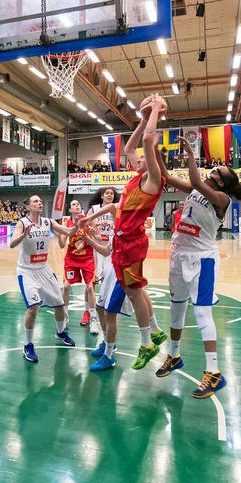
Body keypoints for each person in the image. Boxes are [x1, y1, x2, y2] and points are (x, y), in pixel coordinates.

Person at [154, 137, 241, 398]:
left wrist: (190, 154)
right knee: (176, 309)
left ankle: (213, 372)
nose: (213, 170)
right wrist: (158, 153)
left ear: (221, 183)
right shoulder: (197, 191)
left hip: (202, 260)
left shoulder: (221, 199)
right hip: (179, 255)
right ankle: (173, 356)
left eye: (217, 172)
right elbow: (168, 179)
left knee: (202, 313)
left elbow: (196, 181)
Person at [83, 94, 168, 370]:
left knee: (133, 293)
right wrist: (142, 120)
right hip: (120, 244)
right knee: (138, 289)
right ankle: (154, 330)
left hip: (131, 243)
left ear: (152, 162)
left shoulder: (154, 181)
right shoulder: (136, 178)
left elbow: (145, 143)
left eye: (145, 158)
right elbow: (131, 147)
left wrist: (154, 110)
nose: (138, 159)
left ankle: (146, 344)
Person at [10, 195, 78, 363]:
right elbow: (12, 244)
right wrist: (22, 236)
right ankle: (28, 345)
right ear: (28, 207)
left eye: (40, 201)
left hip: (44, 269)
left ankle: (60, 332)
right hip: (27, 271)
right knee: (33, 307)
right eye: (35, 201)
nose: (39, 203)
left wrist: (76, 226)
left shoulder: (48, 222)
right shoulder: (23, 223)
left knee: (60, 305)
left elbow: (68, 232)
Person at [80, 207, 134, 372]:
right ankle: (108, 343)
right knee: (100, 308)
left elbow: (112, 207)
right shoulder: (114, 230)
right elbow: (105, 251)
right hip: (111, 271)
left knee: (110, 314)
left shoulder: (130, 229)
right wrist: (88, 240)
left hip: (122, 273)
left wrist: (90, 218)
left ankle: (109, 356)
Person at [58, 200, 98, 335]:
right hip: (72, 259)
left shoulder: (87, 220)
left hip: (87, 259)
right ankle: (65, 315)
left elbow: (98, 236)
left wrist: (93, 232)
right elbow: (62, 244)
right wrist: (60, 235)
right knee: (66, 287)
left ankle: (93, 318)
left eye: (79, 204)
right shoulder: (66, 224)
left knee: (90, 287)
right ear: (70, 210)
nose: (76, 205)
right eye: (74, 204)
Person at [87, 187, 120, 287]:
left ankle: (106, 298)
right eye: (107, 193)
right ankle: (91, 300)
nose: (110, 195)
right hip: (96, 246)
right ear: (102, 196)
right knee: (94, 277)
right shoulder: (94, 209)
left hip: (110, 245)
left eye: (112, 193)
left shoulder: (116, 208)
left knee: (109, 274)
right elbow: (87, 221)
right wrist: (97, 224)